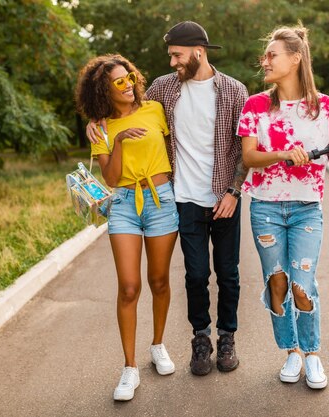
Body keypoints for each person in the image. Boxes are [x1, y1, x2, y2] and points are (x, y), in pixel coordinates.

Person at [87, 21, 249, 376]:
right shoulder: (163, 89)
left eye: (177, 55)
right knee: (195, 275)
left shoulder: (235, 90)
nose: (173, 61)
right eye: (171, 56)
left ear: (198, 51)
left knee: (229, 275)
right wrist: (96, 119)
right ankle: (201, 339)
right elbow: (123, 108)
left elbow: (244, 148)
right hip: (183, 198)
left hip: (225, 197)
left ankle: (227, 338)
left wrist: (234, 191)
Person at [237, 25, 329, 389]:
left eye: (272, 54)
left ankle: (312, 353)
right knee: (278, 282)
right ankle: (292, 352)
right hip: (265, 207)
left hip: (306, 209)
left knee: (302, 284)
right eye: (265, 55)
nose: (264, 60)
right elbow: (249, 156)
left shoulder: (323, 106)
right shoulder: (256, 106)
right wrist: (284, 153)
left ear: (296, 58)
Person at [76, 54, 179, 401]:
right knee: (130, 287)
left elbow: (174, 147)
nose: (128, 85)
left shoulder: (154, 109)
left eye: (129, 77)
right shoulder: (100, 127)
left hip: (162, 199)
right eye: (118, 82)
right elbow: (111, 177)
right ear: (105, 90)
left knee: (159, 280)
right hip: (123, 204)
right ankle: (129, 367)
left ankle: (158, 345)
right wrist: (117, 141)